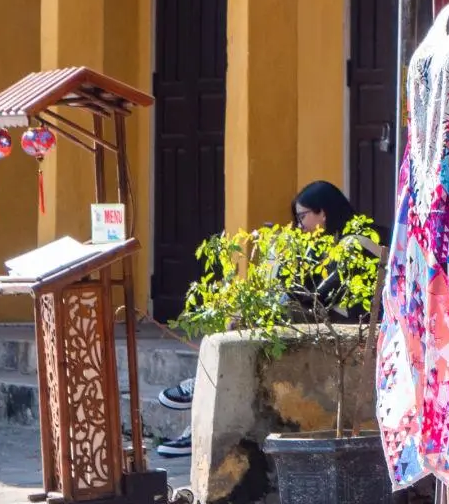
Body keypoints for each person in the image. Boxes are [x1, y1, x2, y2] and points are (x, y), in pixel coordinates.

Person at [154, 182, 366, 454]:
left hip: (344, 326)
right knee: (244, 324)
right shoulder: (319, 244)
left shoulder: (355, 241)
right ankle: (197, 421)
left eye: (302, 217)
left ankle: (203, 392)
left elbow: (319, 297)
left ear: (322, 213)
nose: (299, 225)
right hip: (320, 320)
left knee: (253, 320)